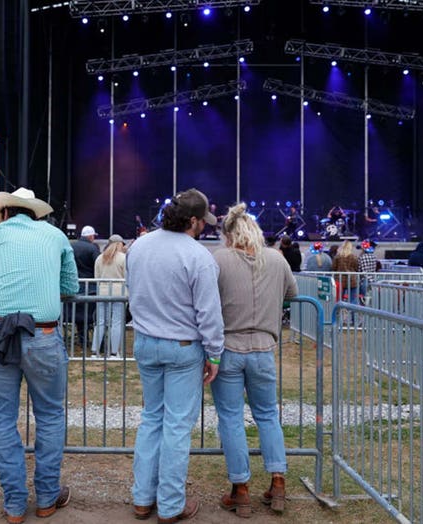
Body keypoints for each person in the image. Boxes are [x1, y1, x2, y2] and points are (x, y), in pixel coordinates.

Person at [0, 187, 78, 523]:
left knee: (2, 418)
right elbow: (72, 288)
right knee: (49, 415)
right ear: (37, 212)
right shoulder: (56, 236)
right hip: (43, 332)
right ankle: (47, 498)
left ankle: (14, 504)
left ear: (5, 212)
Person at [127, 188, 223, 523]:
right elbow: (208, 313)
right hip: (182, 347)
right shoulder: (198, 257)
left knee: (152, 418)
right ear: (193, 220)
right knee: (177, 427)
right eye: (203, 222)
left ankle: (142, 498)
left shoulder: (138, 246)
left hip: (145, 341)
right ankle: (170, 505)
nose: (205, 228)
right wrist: (215, 353)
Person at [211, 203, 298, 517]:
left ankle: (241, 488)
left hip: (229, 347)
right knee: (267, 416)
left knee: (231, 419)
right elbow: (292, 293)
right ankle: (278, 482)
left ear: (228, 234)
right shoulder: (276, 258)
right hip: (263, 348)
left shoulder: (218, 259)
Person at [91, 235, 126, 357]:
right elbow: (127, 276)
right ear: (120, 244)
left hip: (102, 292)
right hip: (119, 293)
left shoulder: (100, 258)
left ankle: (95, 352)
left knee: (100, 322)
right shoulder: (123, 258)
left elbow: (97, 276)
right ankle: (114, 352)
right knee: (116, 322)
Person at [72, 225, 100, 347]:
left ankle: (82, 338)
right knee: (90, 313)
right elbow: (98, 264)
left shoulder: (72, 246)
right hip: (90, 285)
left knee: (77, 312)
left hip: (75, 283)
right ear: (90, 236)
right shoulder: (92, 248)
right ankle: (93, 339)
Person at [331, 240, 360, 304]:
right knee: (353, 299)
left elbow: (333, 268)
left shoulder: (337, 257)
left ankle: (338, 313)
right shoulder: (354, 257)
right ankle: (353, 313)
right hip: (351, 280)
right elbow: (356, 268)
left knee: (339, 299)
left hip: (340, 280)